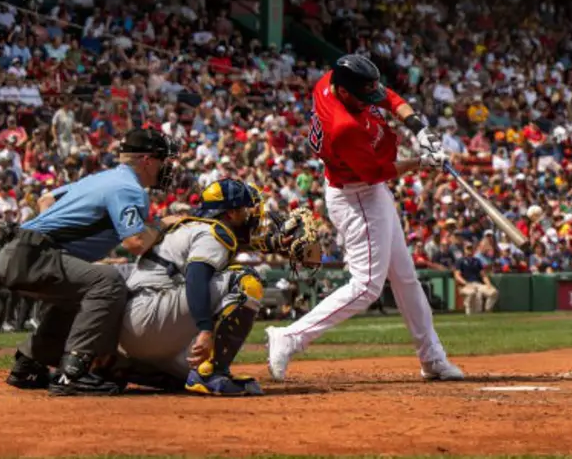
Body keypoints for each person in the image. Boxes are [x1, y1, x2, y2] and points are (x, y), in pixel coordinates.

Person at [265, 54, 462, 382]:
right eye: (363, 95)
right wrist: (420, 162)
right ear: (343, 93)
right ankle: (291, 337)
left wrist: (419, 128)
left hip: (368, 189)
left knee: (405, 277)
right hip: (357, 195)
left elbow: (389, 97)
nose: (372, 99)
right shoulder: (344, 128)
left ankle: (432, 358)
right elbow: (376, 172)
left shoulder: (333, 80)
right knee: (368, 285)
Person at [0, 129, 172, 395]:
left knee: (77, 296)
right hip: (32, 256)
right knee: (108, 282)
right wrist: (161, 226)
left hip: (16, 252)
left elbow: (45, 200)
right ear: (147, 160)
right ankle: (75, 371)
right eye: (163, 160)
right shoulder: (129, 188)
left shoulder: (101, 178)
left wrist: (57, 246)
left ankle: (28, 365)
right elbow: (136, 243)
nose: (167, 167)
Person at [115, 177, 270, 396]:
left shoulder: (195, 227)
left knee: (188, 375)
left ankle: (142, 369)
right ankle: (212, 373)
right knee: (246, 281)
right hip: (149, 316)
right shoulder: (213, 233)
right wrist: (205, 329)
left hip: (135, 328)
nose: (249, 214)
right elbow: (196, 279)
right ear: (230, 214)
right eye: (244, 209)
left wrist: (274, 246)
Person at [453, 240, 499, 315]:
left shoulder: (477, 261)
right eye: (468, 248)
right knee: (473, 293)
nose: (470, 250)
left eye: (471, 248)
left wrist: (488, 284)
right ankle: (469, 312)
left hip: (478, 284)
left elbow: (483, 275)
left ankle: (487, 310)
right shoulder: (460, 261)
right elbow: (457, 275)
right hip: (466, 285)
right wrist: (466, 283)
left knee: (494, 292)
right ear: (464, 250)